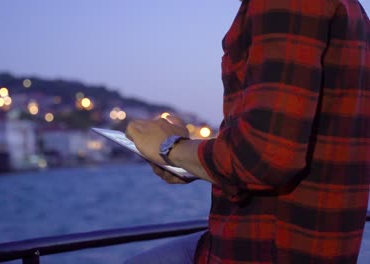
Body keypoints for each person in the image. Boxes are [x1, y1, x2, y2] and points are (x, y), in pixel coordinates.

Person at [125, 0, 370, 263]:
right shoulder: (352, 12)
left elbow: (265, 157)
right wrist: (189, 162)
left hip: (263, 250)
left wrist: (171, 148)